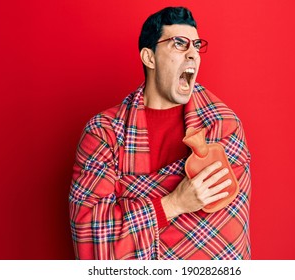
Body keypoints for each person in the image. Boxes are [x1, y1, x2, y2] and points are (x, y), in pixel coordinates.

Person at [69, 6, 251, 260]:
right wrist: (175, 203)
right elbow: (90, 236)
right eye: (179, 43)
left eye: (196, 45)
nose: (193, 55)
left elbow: (228, 233)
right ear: (149, 57)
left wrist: (130, 209)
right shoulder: (104, 133)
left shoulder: (223, 127)